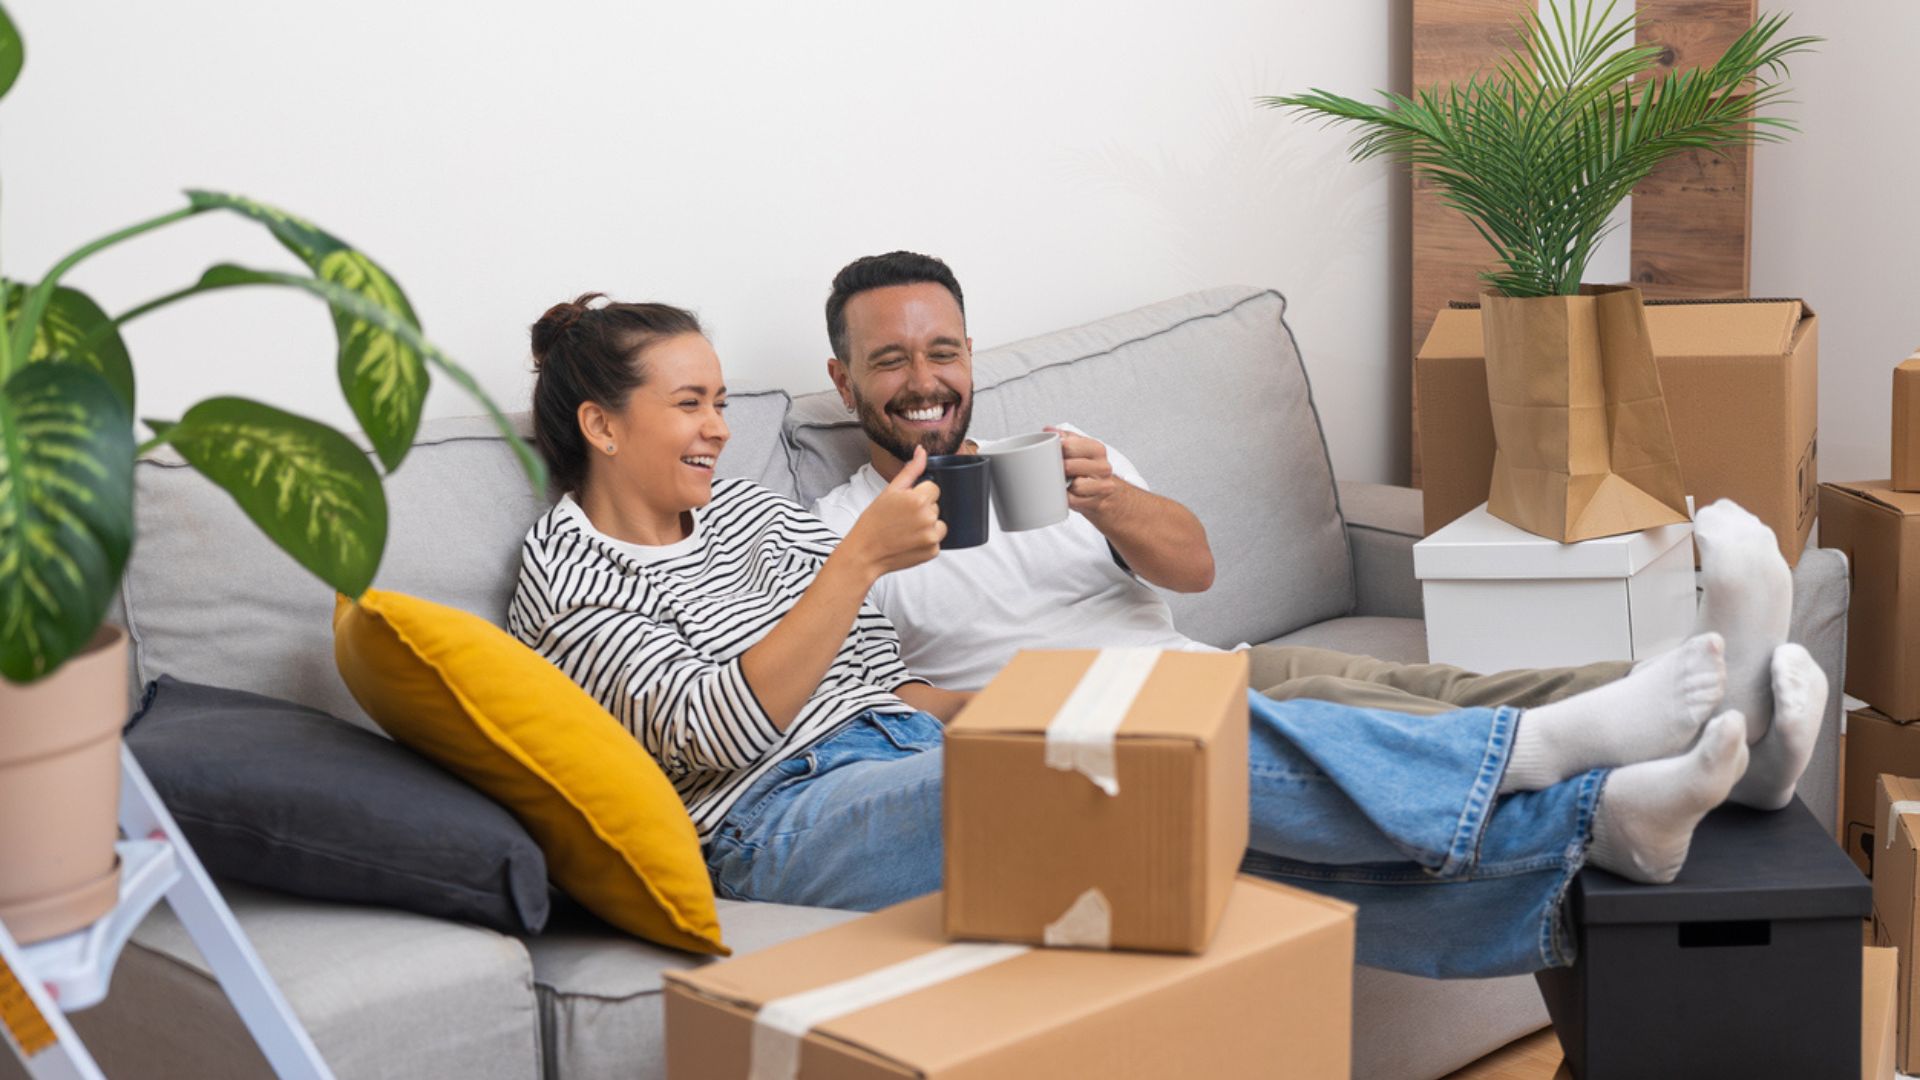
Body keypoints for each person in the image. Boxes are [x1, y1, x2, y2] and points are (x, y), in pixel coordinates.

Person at [507, 293, 1824, 980]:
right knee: (1150, 741)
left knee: (1223, 861)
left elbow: (865, 672)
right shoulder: (564, 584)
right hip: (778, 825)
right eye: (690, 406)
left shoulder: (732, 519)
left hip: (898, 746)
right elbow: (711, 728)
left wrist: (958, 691)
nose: (721, 429)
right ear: (600, 425)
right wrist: (857, 563)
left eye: (724, 402)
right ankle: (1546, 757)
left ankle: (1605, 822)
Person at [808, 251, 1803, 762]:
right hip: (1104, 724)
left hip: (1205, 668)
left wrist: (1108, 502)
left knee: (1439, 686)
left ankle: (1713, 695)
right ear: (844, 383)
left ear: (971, 358)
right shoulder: (831, 537)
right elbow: (870, 713)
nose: (923, 379)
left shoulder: (1066, 455)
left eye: (943, 351)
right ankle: (1682, 719)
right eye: (888, 360)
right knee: (1377, 720)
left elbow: (1195, 569)